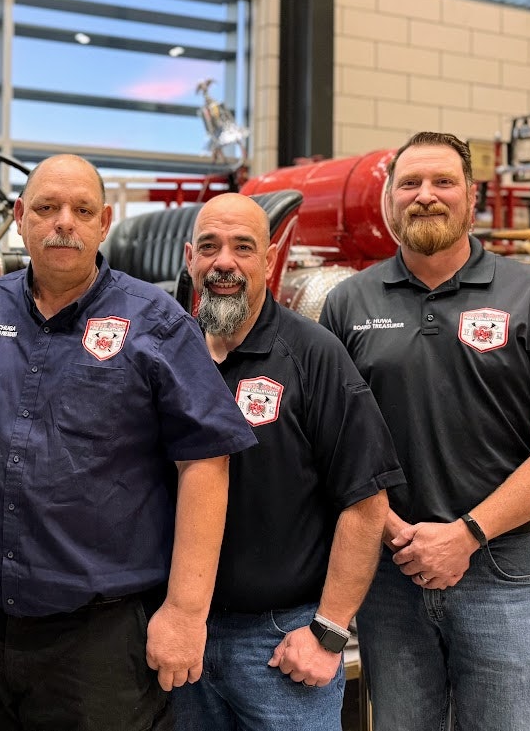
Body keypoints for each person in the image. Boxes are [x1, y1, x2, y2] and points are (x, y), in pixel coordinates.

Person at [0, 154, 257, 731]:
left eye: (82, 210)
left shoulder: (156, 322)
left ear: (104, 221)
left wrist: (186, 612)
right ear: (19, 217)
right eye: (46, 208)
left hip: (101, 642)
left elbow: (207, 464)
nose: (64, 222)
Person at [319, 131, 530, 730]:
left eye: (443, 182)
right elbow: (332, 443)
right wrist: (391, 528)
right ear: (390, 200)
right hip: (389, 571)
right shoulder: (348, 302)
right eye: (410, 184)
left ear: (471, 196)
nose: (427, 196)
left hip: (500, 564)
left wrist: (467, 534)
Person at [173, 193, 403, 731]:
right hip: (184, 640)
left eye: (243, 247)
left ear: (271, 259)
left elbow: (367, 504)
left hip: (280, 649)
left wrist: (327, 633)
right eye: (209, 247)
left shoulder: (313, 355)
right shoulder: (169, 355)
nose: (223, 262)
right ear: (189, 258)